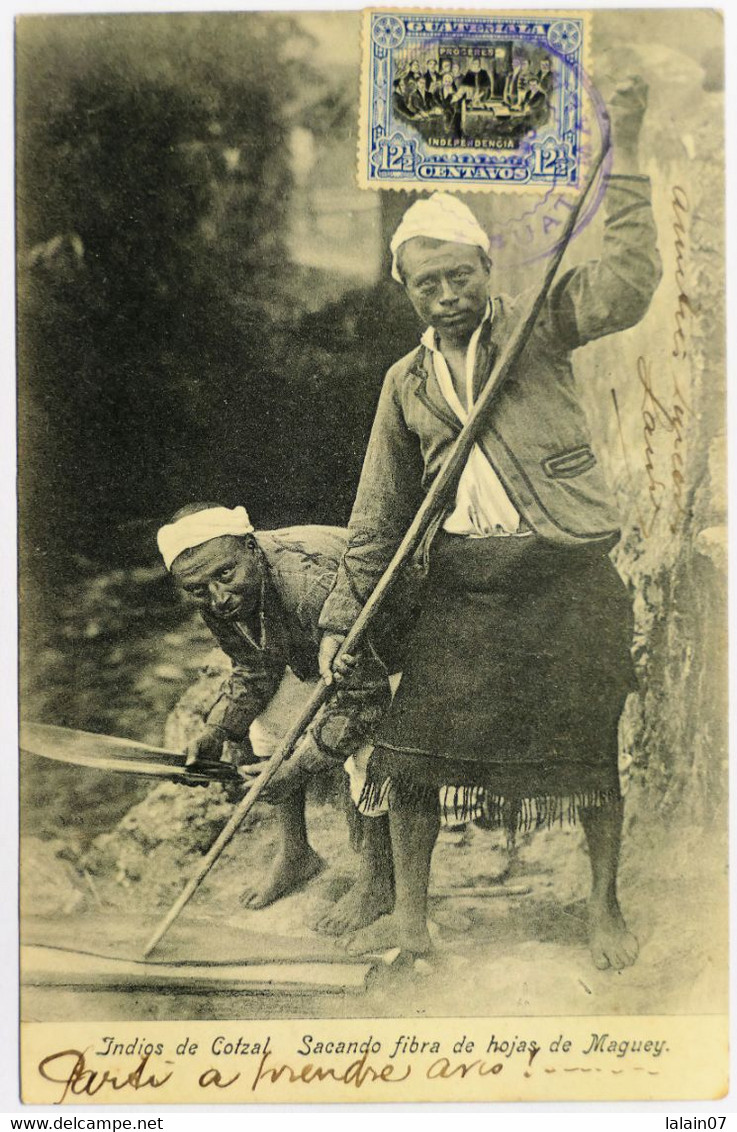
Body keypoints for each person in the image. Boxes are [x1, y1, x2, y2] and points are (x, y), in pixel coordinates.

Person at [318, 77, 661, 971]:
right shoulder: (405, 383)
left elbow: (626, 284)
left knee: (587, 759)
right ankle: (412, 928)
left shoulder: (540, 324)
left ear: (485, 271)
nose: (445, 295)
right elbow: (378, 512)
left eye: (459, 276)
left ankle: (604, 910)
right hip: (462, 593)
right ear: (405, 291)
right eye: (426, 283)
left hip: (562, 581)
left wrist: (630, 149)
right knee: (407, 755)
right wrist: (339, 625)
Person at [157, 502, 395, 928]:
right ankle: (296, 853)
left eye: (225, 575)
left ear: (250, 547)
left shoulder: (307, 583)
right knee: (265, 730)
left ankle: (378, 880)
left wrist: (300, 766)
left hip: (397, 645)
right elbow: (253, 666)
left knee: (367, 759)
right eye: (198, 590)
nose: (218, 597)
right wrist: (216, 729)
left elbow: (365, 701)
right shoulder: (219, 592)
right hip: (328, 653)